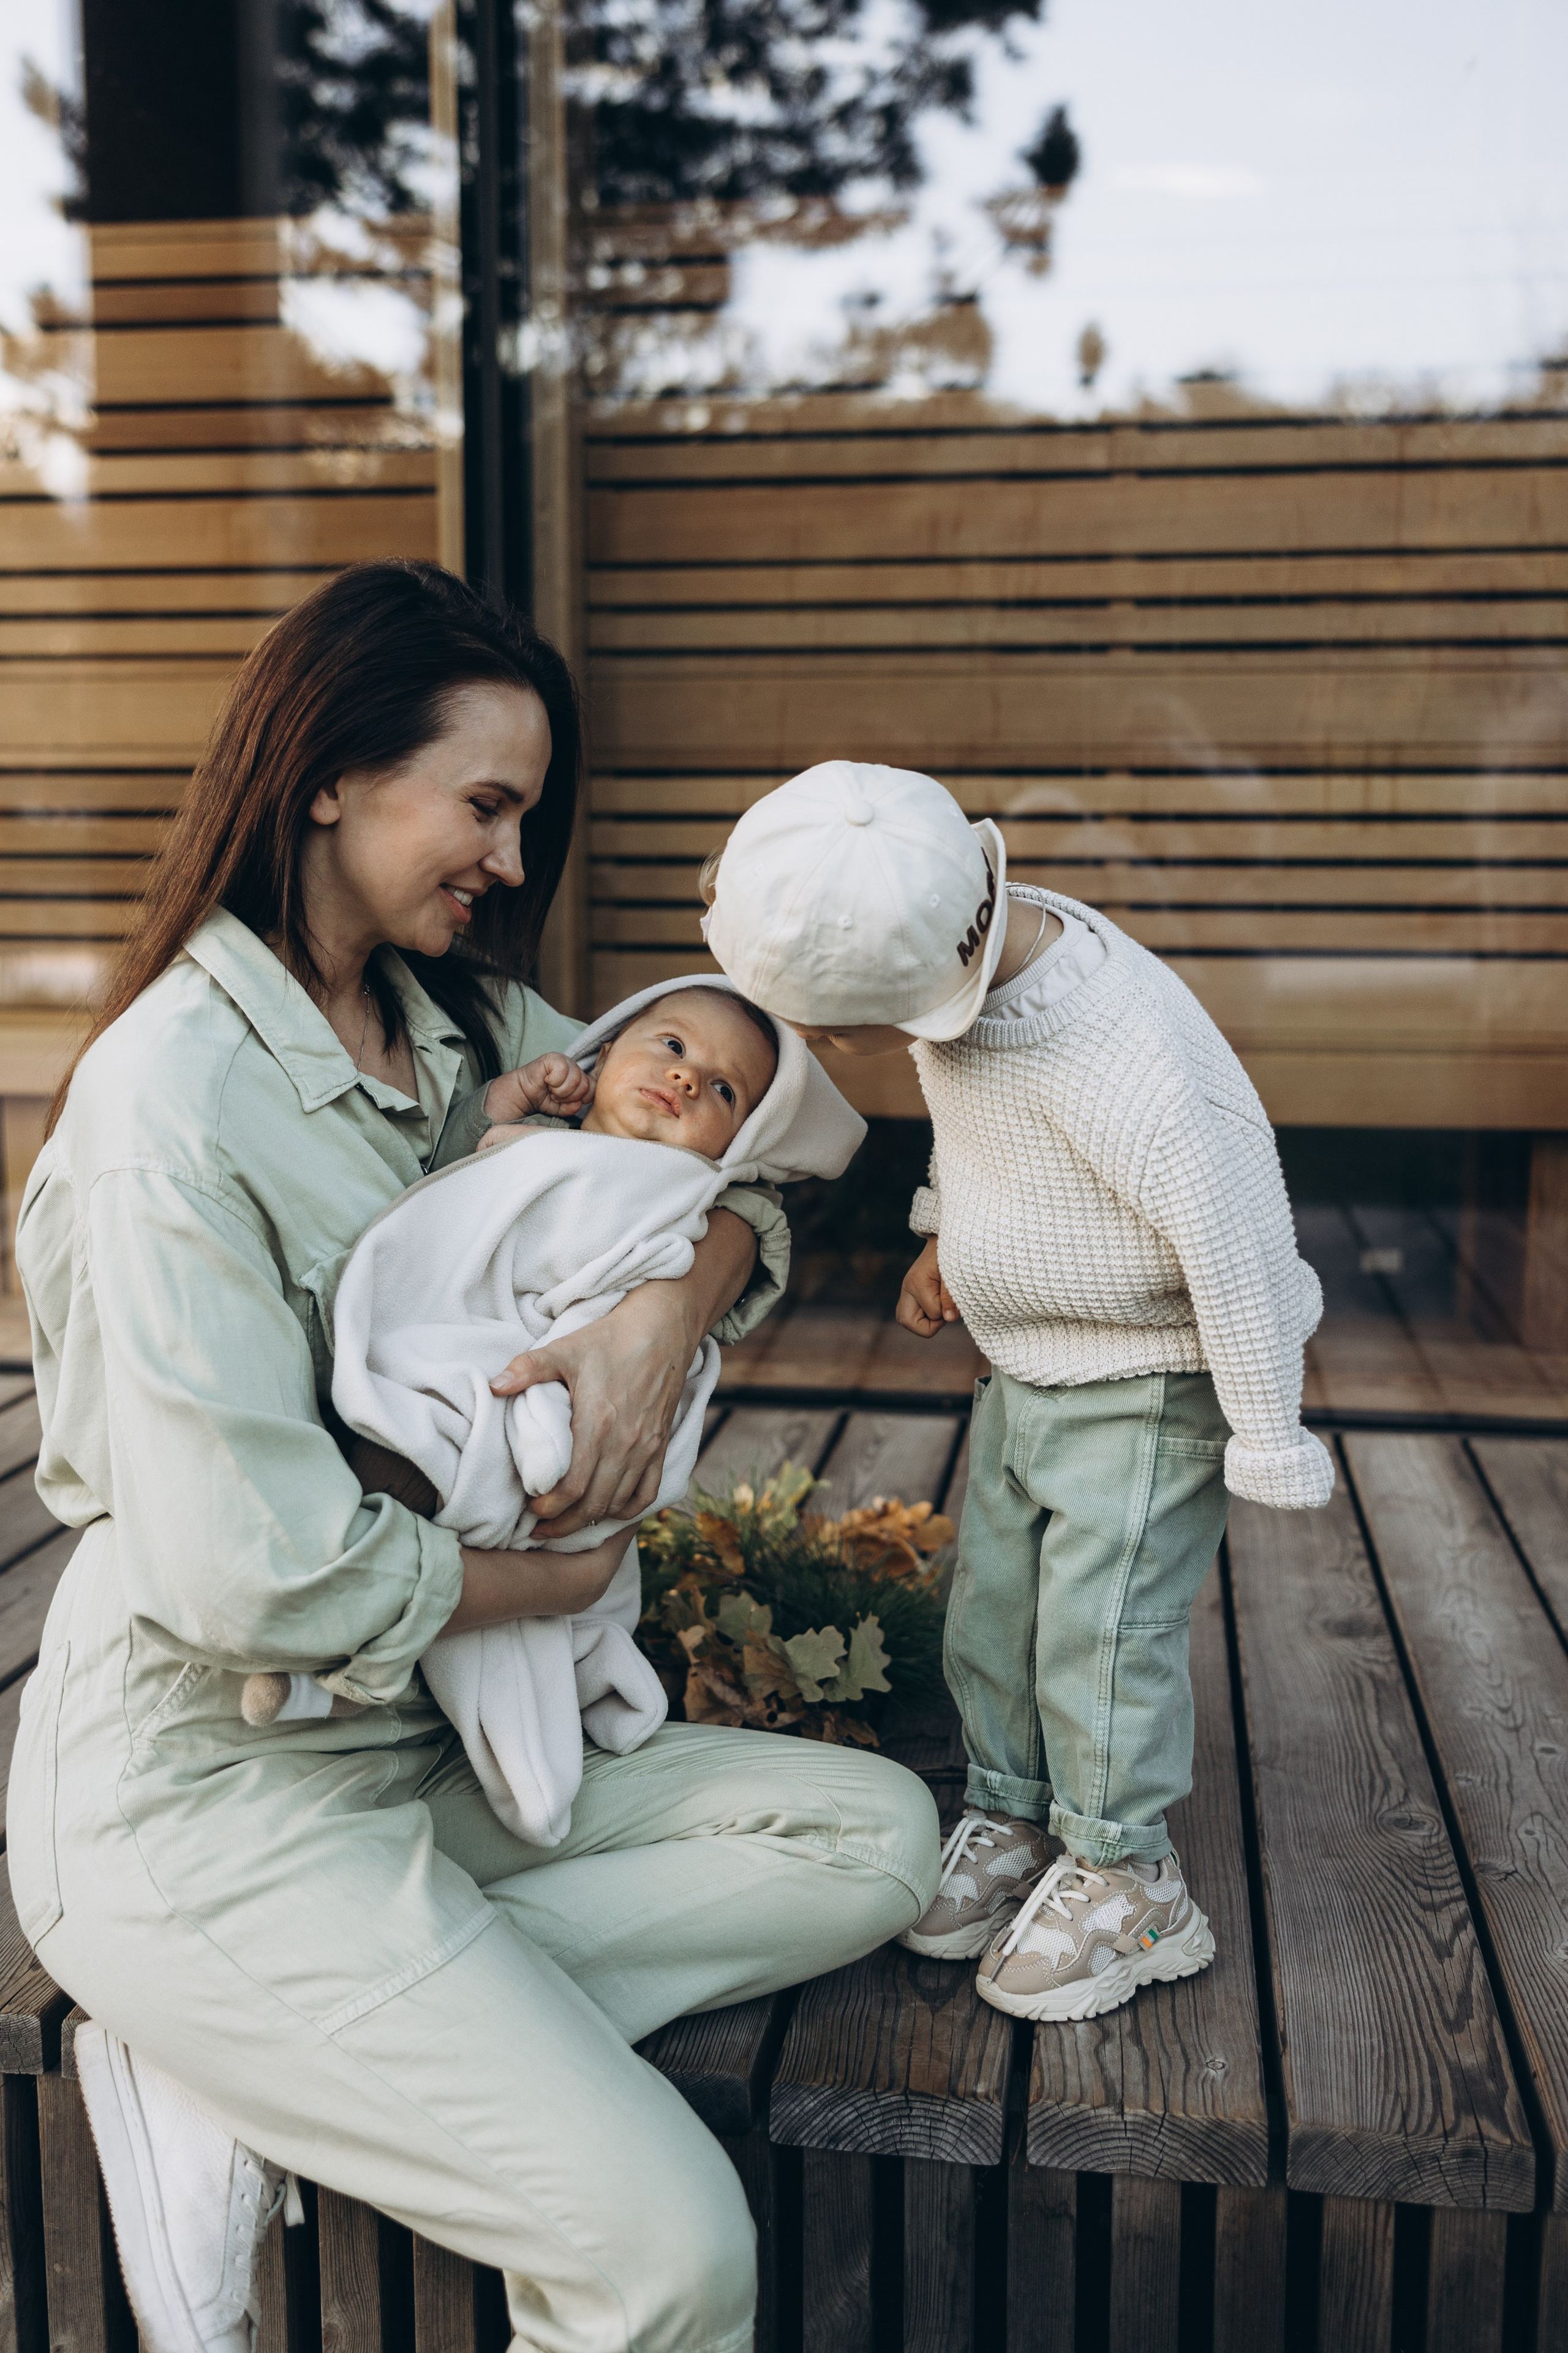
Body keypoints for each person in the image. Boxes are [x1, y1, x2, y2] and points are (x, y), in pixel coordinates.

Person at [6, 572, 939, 2353]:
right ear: (330, 777)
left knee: (876, 1840)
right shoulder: (171, 1113)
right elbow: (247, 1576)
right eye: (487, 806)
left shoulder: (470, 1033)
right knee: (672, 2260)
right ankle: (260, 2022)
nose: (513, 862)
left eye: (526, 815)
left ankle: (261, 2072)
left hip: (434, 1757)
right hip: (215, 1792)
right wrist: (567, 1578)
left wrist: (680, 1300)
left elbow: (741, 1149)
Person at [703, 758, 1333, 2025]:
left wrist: (1267, 1430)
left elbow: (1239, 1236)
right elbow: (980, 1125)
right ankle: (1012, 1809)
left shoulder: (1125, 1051)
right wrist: (948, 1233)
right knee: (995, 1606)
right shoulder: (965, 960)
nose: (820, 1052)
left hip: (1143, 1381)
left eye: (831, 1032)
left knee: (1099, 1633)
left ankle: (1125, 1870)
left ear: (927, 985)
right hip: (1026, 1365)